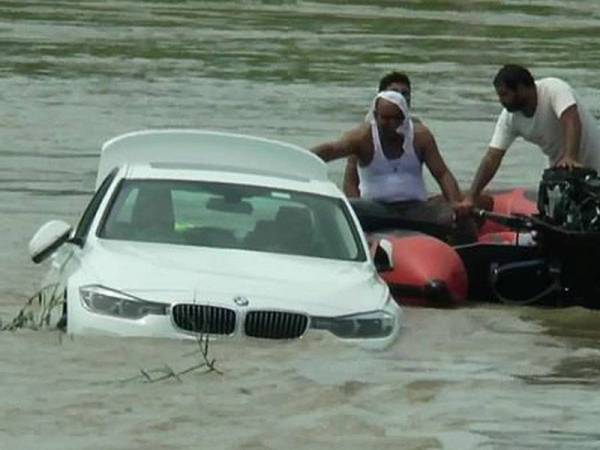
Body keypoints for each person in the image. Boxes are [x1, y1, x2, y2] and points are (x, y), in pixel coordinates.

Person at [311, 89, 475, 243]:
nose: (392, 124)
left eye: (397, 118)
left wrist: (455, 203)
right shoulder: (362, 137)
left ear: (405, 117)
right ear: (375, 116)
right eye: (386, 118)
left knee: (461, 221)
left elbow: (442, 173)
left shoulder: (421, 137)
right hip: (375, 209)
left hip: (416, 209)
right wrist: (299, 159)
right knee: (342, 211)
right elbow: (332, 150)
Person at [456, 64, 600, 216]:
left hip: (591, 159)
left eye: (505, 95)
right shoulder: (509, 118)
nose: (501, 101)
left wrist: (570, 156)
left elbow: (570, 118)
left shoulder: (554, 89)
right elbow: (492, 157)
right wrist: (471, 197)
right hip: (562, 172)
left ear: (522, 88)